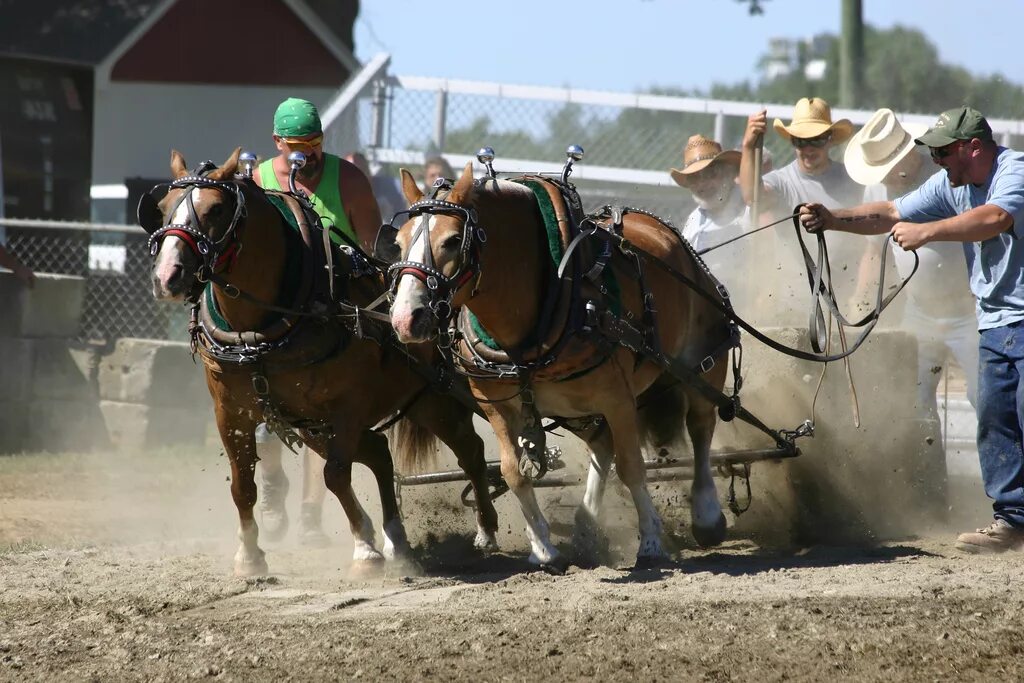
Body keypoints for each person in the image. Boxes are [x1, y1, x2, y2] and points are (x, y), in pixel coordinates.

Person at [799, 105, 1024, 554]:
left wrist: (928, 232)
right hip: (995, 320)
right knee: (996, 420)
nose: (936, 160)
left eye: (943, 152)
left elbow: (997, 218)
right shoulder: (952, 182)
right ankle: (1014, 521)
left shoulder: (1013, 171)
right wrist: (833, 218)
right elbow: (889, 211)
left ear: (972, 147)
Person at [251, 97, 383, 546]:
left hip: (334, 312)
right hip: (280, 316)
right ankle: (271, 483)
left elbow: (373, 250)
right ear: (276, 143)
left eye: (314, 144)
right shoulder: (261, 178)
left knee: (318, 416)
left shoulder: (347, 179)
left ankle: (311, 513)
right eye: (296, 147)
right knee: (263, 425)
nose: (306, 156)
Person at [844, 108, 978, 418]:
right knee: (914, 401)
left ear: (906, 156)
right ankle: (928, 467)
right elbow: (874, 251)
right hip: (919, 310)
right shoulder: (877, 187)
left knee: (984, 397)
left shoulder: (946, 176)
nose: (886, 175)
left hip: (967, 308)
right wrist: (862, 300)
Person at [740, 97, 864, 320]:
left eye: (815, 140)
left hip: (845, 305)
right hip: (791, 308)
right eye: (800, 141)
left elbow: (870, 239)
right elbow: (752, 197)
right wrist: (748, 147)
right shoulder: (781, 182)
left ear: (829, 140)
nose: (807, 149)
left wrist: (862, 295)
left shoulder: (854, 181)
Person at [254, 97, 381, 252]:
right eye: (299, 145)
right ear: (278, 141)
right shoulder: (258, 182)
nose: (308, 152)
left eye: (315, 142)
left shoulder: (350, 181)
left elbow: (376, 253)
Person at [670, 134, 752, 309]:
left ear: (728, 172)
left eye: (709, 173)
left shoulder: (750, 206)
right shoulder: (694, 220)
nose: (702, 184)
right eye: (694, 177)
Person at [343, 151, 406, 225]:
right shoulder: (343, 195)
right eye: (350, 174)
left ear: (368, 170)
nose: (356, 178)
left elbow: (402, 219)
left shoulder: (391, 187)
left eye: (361, 170)